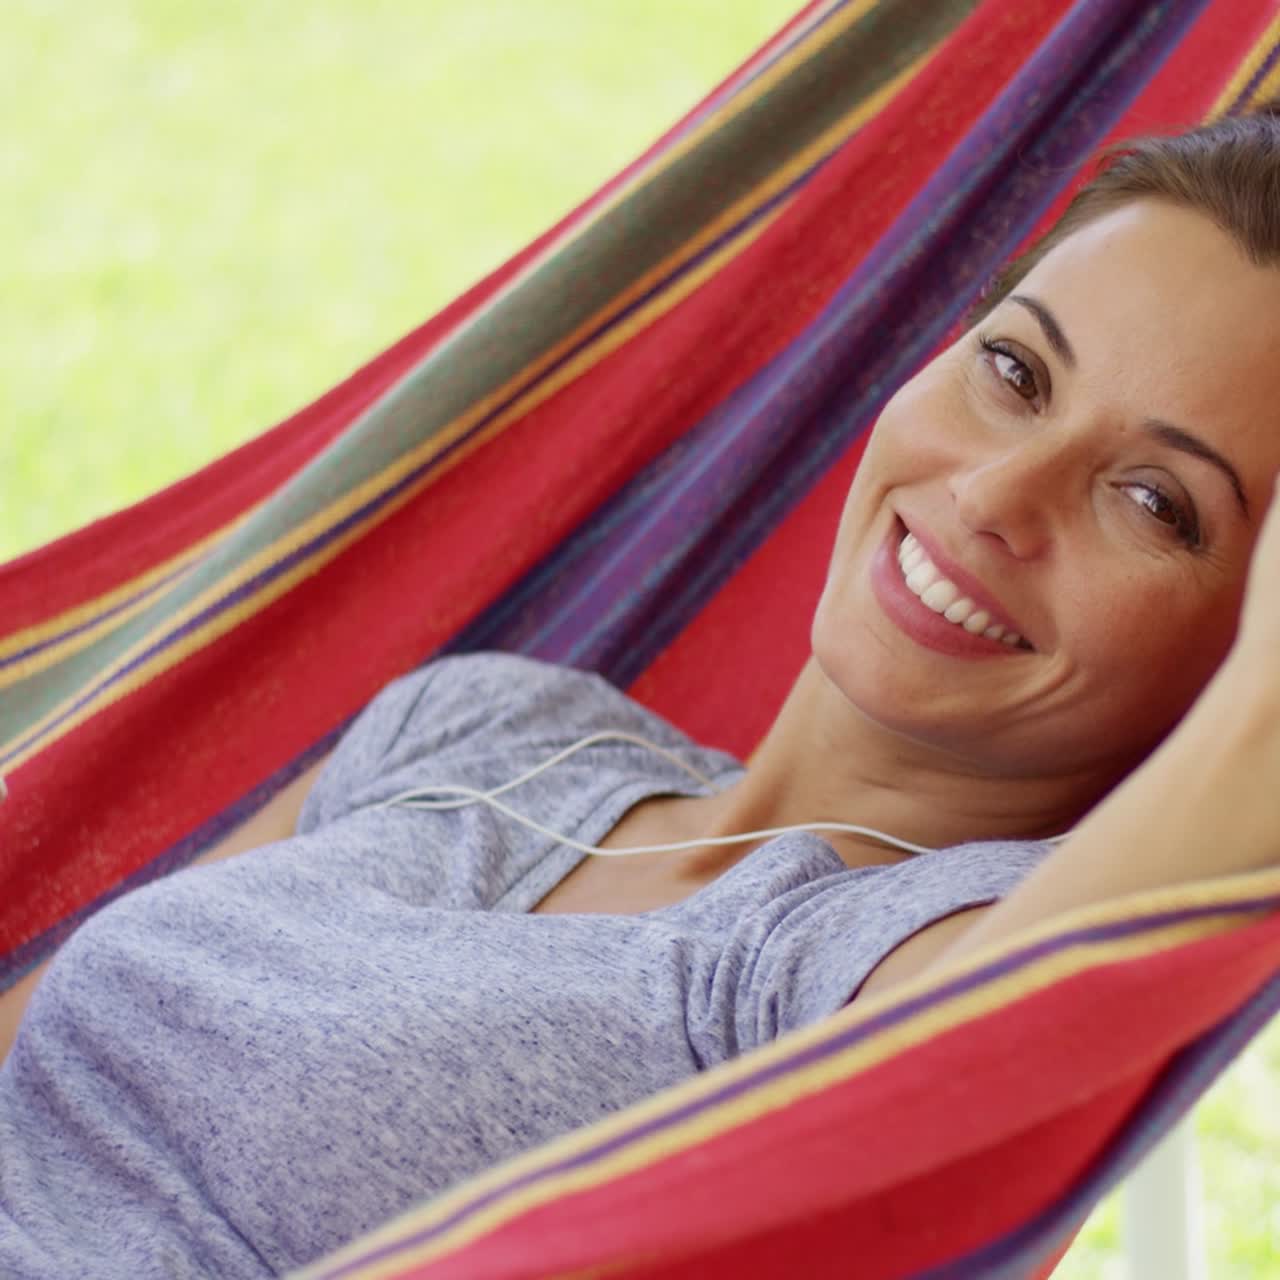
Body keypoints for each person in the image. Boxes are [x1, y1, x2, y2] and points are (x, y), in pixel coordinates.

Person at [3, 106, 1280, 1279]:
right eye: (1012, 371)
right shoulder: (496, 720)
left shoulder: (883, 965)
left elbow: (1011, 1038)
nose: (994, 495)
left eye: (1153, 502)